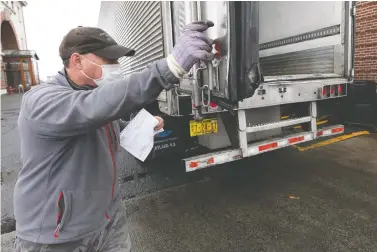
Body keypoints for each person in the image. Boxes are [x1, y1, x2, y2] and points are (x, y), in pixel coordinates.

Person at [14, 20, 215, 252]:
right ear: (77, 60)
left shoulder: (90, 94)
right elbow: (89, 109)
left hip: (108, 221)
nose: (116, 66)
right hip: (57, 236)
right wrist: (170, 67)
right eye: (109, 60)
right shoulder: (41, 100)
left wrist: (138, 126)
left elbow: (96, 123)